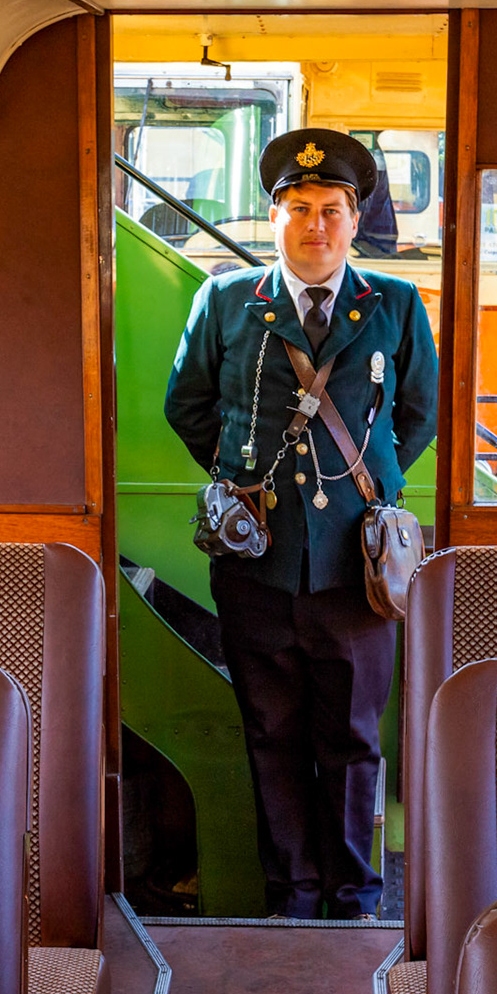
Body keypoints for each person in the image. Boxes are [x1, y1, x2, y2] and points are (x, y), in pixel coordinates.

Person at [164, 128, 439, 919]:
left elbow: (414, 416)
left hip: (358, 570)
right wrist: (244, 487)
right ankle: (291, 895)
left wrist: (369, 486)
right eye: (298, 208)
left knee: (353, 744)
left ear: (354, 221)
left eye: (330, 209)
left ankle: (352, 899)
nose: (314, 224)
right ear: (275, 217)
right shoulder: (225, 301)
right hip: (257, 568)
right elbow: (187, 405)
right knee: (272, 738)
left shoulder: (393, 303)